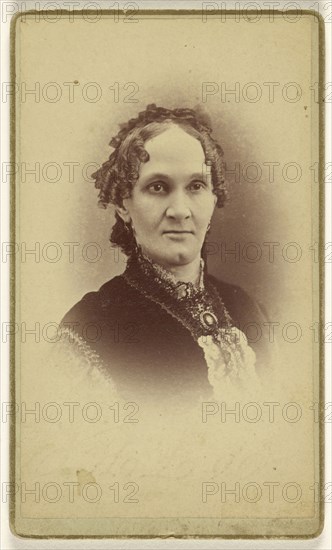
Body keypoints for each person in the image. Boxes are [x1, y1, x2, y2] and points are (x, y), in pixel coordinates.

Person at [59, 104, 271, 404]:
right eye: (158, 187)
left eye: (196, 186)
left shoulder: (249, 309)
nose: (180, 211)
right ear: (123, 205)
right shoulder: (91, 327)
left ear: (214, 198)